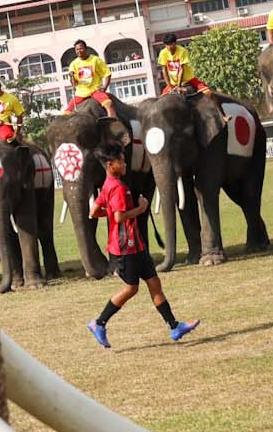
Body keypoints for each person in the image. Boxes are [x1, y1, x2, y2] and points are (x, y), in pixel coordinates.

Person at [85, 148, 198, 349]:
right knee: (131, 288)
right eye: (121, 161)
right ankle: (98, 323)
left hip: (135, 245)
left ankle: (174, 326)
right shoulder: (118, 187)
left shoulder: (108, 184)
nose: (125, 163)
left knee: (154, 283)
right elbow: (119, 217)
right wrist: (141, 209)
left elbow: (94, 211)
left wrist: (112, 213)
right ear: (111, 165)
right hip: (125, 247)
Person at [66, 40, 116, 117]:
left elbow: (107, 74)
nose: (79, 51)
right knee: (67, 112)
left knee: (108, 104)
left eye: (81, 48)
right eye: (77, 49)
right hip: (81, 93)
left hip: (95, 90)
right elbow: (74, 84)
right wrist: (71, 76)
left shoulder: (95, 60)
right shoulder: (73, 64)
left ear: (86, 49)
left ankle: (113, 122)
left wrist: (105, 87)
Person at [154, 33, 212, 98]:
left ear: (175, 43)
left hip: (189, 80)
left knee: (207, 92)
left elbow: (181, 69)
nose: (169, 47)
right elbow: (164, 70)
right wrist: (170, 86)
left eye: (171, 44)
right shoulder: (163, 53)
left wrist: (179, 86)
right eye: (167, 45)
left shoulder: (182, 51)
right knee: (161, 99)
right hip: (173, 83)